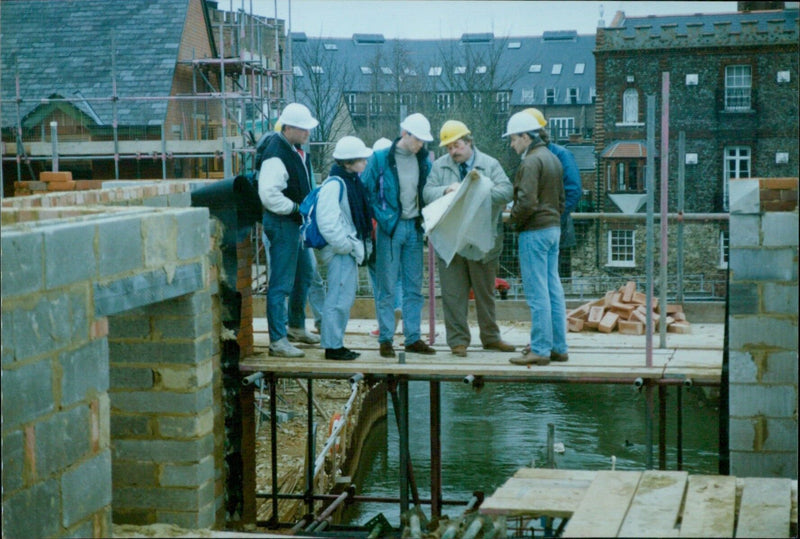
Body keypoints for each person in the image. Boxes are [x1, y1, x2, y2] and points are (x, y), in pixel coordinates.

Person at [423, 120, 515, 357]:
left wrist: (479, 192)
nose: (453, 151)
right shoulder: (440, 167)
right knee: (453, 295)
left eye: (457, 145)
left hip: (481, 241)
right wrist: (446, 191)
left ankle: (491, 338)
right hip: (450, 241)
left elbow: (506, 190)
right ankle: (458, 341)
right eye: (449, 147)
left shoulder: (490, 164)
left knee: (486, 294)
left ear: (469, 142)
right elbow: (426, 193)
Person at [362, 113, 437, 358]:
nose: (421, 145)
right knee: (387, 287)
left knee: (414, 287)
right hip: (390, 230)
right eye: (418, 140)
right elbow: (366, 190)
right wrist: (383, 217)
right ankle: (386, 339)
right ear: (405, 134)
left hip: (414, 228)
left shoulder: (423, 161)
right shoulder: (380, 159)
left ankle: (413, 337)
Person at [503, 111, 569, 366]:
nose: (512, 144)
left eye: (513, 139)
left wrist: (513, 219)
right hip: (553, 228)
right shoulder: (552, 158)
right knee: (553, 290)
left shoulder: (531, 161)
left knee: (537, 293)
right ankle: (558, 347)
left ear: (526, 136)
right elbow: (561, 200)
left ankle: (540, 349)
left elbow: (527, 201)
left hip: (534, 232)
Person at [257, 103, 320, 357]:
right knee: (281, 283)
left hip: (293, 223)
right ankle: (277, 340)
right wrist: (296, 209)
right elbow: (269, 195)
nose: (307, 132)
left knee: (304, 273)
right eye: (303, 128)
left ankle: (295, 326)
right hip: (283, 224)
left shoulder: (293, 149)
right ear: (289, 128)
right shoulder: (276, 154)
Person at [315, 136, 374, 360]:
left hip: (345, 250)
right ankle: (333, 346)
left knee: (343, 297)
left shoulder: (347, 182)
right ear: (348, 163)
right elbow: (328, 223)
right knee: (338, 298)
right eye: (361, 159)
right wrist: (346, 246)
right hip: (341, 251)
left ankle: (336, 343)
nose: (365, 163)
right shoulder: (336, 185)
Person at [523, 108, 581, 251]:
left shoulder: (561, 155)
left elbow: (574, 191)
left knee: (556, 271)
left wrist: (553, 218)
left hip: (557, 228)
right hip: (539, 226)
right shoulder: (528, 157)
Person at [367, 137, 402, 338]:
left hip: (377, 235)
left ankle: (384, 323)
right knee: (397, 278)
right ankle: (399, 309)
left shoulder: (371, 174)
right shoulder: (400, 175)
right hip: (397, 233)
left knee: (379, 283)